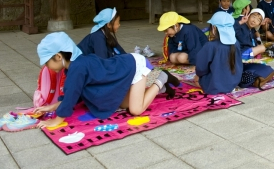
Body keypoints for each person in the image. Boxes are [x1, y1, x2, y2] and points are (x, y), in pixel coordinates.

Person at [35, 32, 179, 128]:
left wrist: (56, 120)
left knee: (136, 109)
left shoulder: (77, 67)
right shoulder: (75, 65)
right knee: (123, 104)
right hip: (123, 69)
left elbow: (72, 94)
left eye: (47, 61)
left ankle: (161, 78)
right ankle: (162, 87)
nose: (46, 66)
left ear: (59, 56)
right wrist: (52, 106)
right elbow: (74, 91)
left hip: (135, 65)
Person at [194, 12, 243, 95]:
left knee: (196, 79)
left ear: (214, 28)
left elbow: (201, 68)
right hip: (234, 82)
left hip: (213, 86)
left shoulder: (210, 46)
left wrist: (198, 76)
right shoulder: (236, 43)